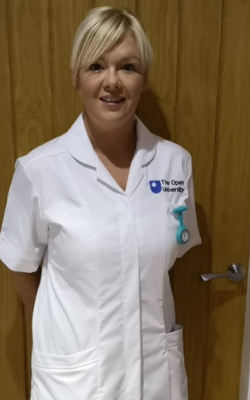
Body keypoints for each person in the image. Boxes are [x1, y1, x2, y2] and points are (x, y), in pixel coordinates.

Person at [0, 7, 201, 400]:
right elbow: (20, 266)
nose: (112, 82)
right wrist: (61, 327)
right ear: (76, 77)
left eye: (127, 66)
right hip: (77, 382)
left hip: (156, 377)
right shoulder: (39, 170)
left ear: (143, 80)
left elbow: (171, 253)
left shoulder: (175, 163)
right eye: (96, 66)